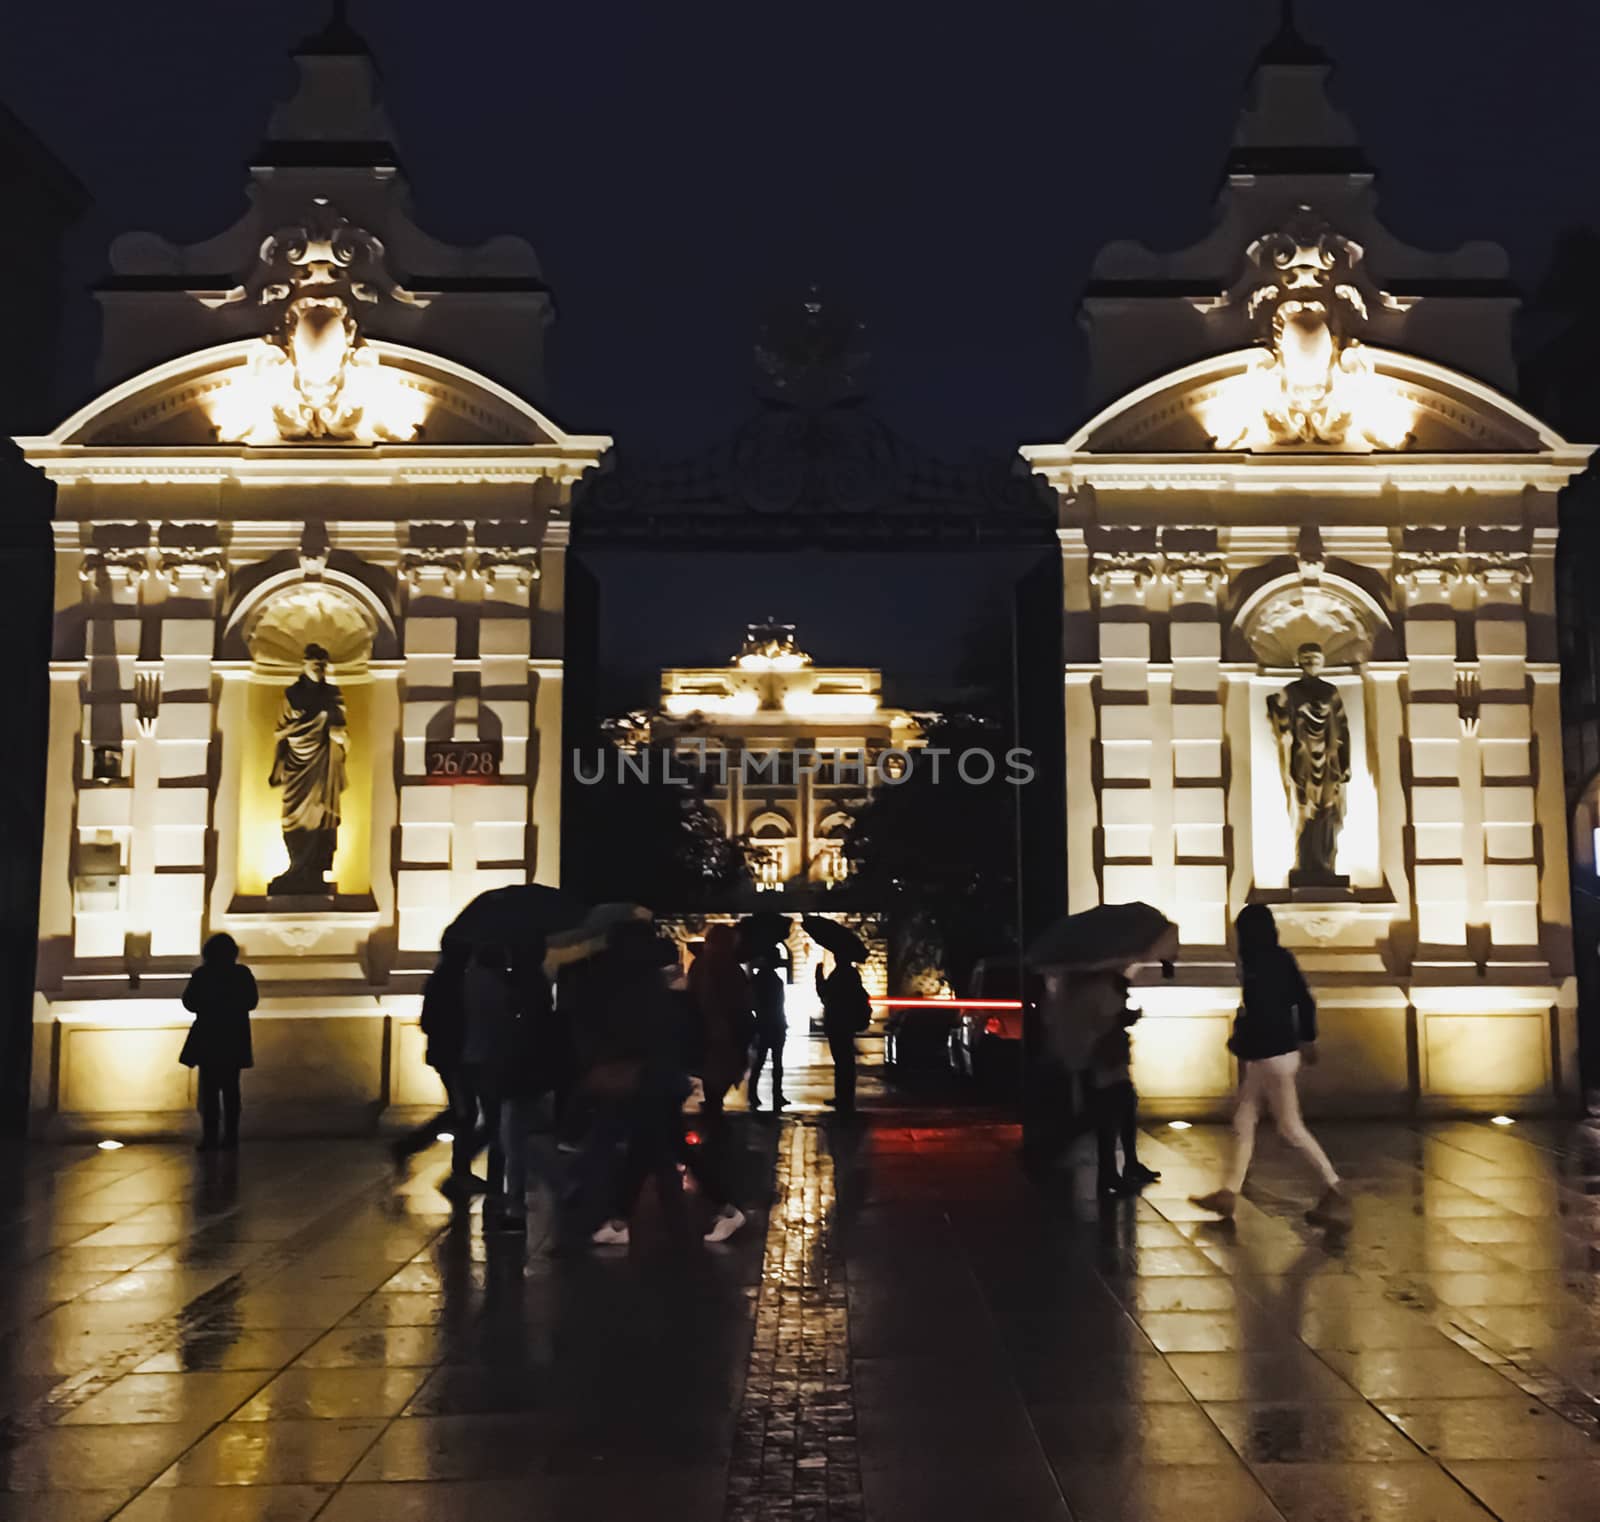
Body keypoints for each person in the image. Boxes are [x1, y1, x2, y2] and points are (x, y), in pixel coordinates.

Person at [1191, 904, 1347, 1227]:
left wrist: (1248, 1027)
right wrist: (1308, 1037)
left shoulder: (1256, 964)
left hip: (1270, 1054)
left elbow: (1265, 1010)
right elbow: (1303, 1000)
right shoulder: (1279, 958)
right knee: (1245, 1118)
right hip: (1274, 1052)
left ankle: (1334, 1186)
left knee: (1288, 1126)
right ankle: (1229, 1192)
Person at [686, 925, 751, 1242]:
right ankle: (716, 1140)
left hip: (710, 1046)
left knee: (708, 1103)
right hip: (721, 1047)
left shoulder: (705, 967)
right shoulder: (730, 970)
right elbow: (740, 1010)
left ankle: (719, 1184)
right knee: (712, 1099)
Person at [179, 934, 257, 1151]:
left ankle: (210, 1137)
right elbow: (252, 1001)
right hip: (233, 1038)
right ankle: (231, 1137)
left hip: (209, 1038)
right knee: (231, 1090)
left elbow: (189, 1002)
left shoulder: (203, 974)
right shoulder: (241, 974)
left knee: (210, 1091)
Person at [815, 955, 869, 1115]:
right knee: (845, 1061)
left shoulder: (841, 975)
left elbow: (824, 993)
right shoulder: (851, 974)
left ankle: (843, 1097)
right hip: (846, 1022)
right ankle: (845, 1096)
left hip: (838, 1022)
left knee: (842, 1061)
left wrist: (818, 974)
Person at [747, 950, 787, 1111]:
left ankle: (755, 1094)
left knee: (761, 1061)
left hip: (765, 1022)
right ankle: (775, 1094)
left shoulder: (758, 979)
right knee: (774, 1061)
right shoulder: (772, 979)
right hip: (774, 1022)